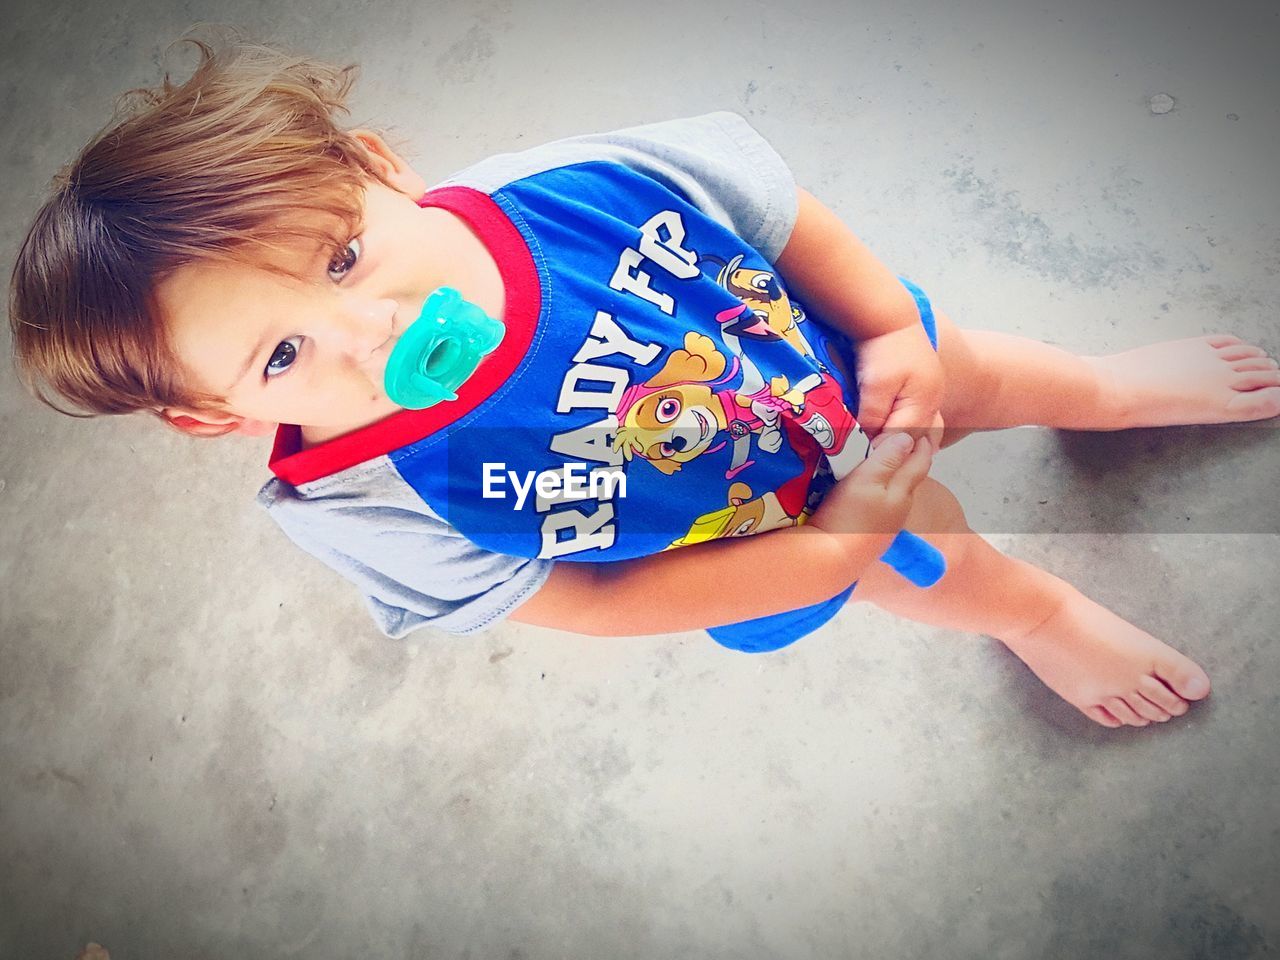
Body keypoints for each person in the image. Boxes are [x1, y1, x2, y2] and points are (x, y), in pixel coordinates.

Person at [10, 32, 1280, 730]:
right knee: (933, 558)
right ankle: (1035, 614)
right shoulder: (367, 502)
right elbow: (589, 605)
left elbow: (779, 221)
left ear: (380, 161)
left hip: (813, 354)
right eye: (282, 356)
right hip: (758, 523)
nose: (373, 330)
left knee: (979, 370)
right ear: (216, 415)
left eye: (346, 254)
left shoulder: (567, 191)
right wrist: (835, 549)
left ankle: (1099, 394)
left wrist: (887, 331)